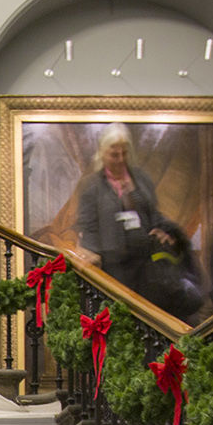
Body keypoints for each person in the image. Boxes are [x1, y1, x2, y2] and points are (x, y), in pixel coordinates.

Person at [73, 124, 173, 299]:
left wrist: (163, 230)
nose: (120, 159)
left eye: (124, 153)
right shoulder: (91, 186)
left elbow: (153, 213)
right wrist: (93, 254)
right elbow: (88, 225)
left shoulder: (141, 178)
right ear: (102, 153)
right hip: (112, 267)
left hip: (145, 265)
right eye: (114, 154)